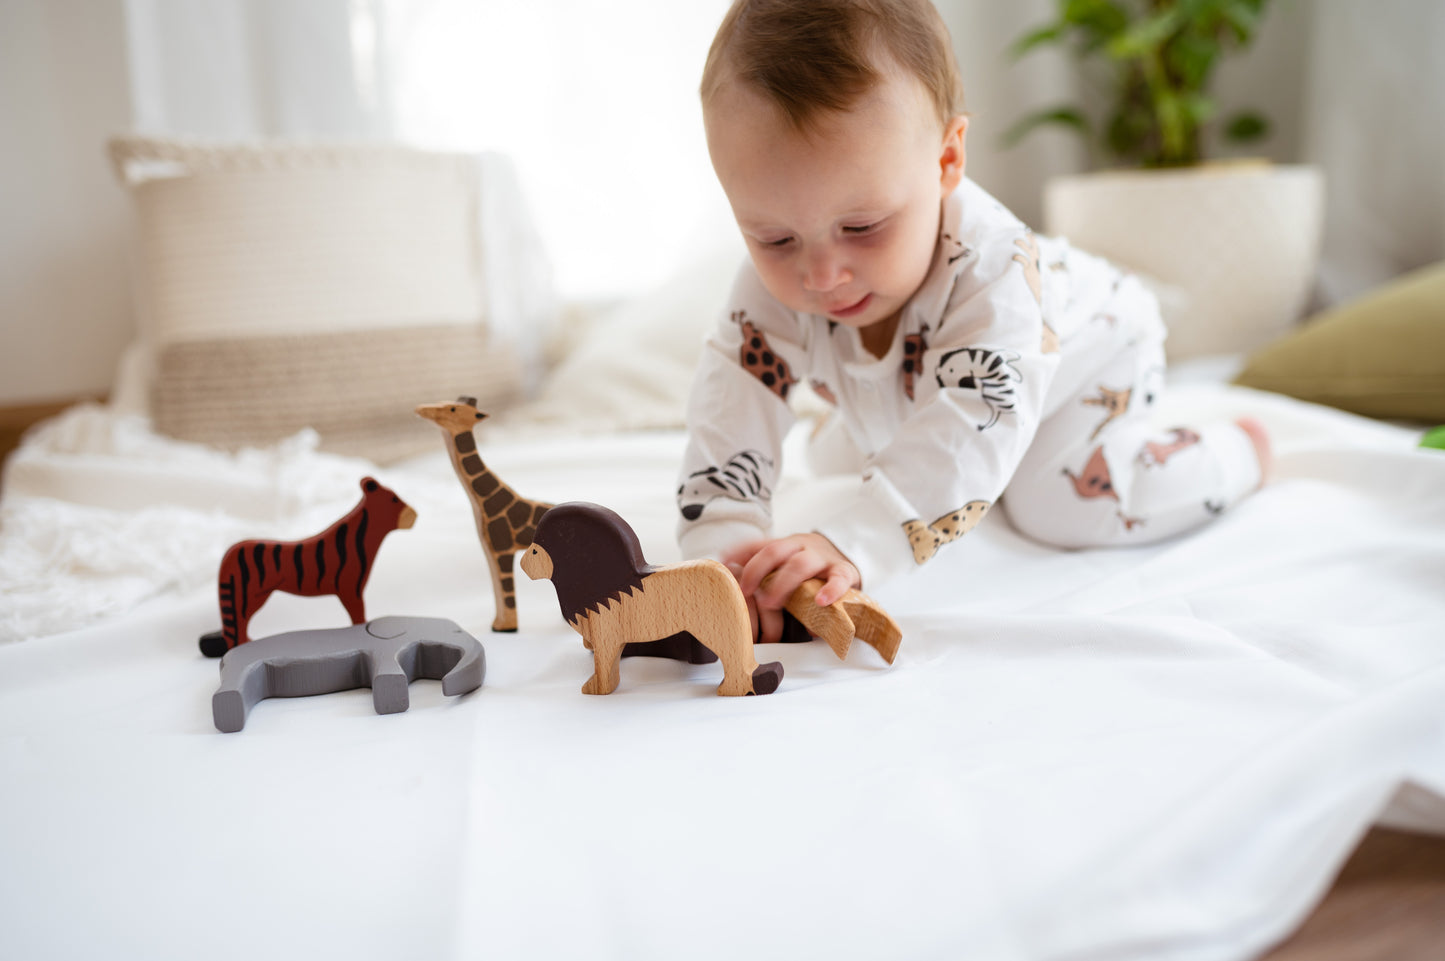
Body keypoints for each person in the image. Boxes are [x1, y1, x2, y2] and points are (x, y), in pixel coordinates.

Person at [677, 0, 1271, 643]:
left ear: (946, 162)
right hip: (928, 384)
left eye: (862, 227)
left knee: (1059, 504)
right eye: (772, 239)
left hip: (1087, 355)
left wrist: (853, 542)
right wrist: (723, 542)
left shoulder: (995, 271)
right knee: (841, 461)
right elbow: (734, 394)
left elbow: (975, 416)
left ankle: (1235, 451)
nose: (820, 276)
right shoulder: (788, 278)